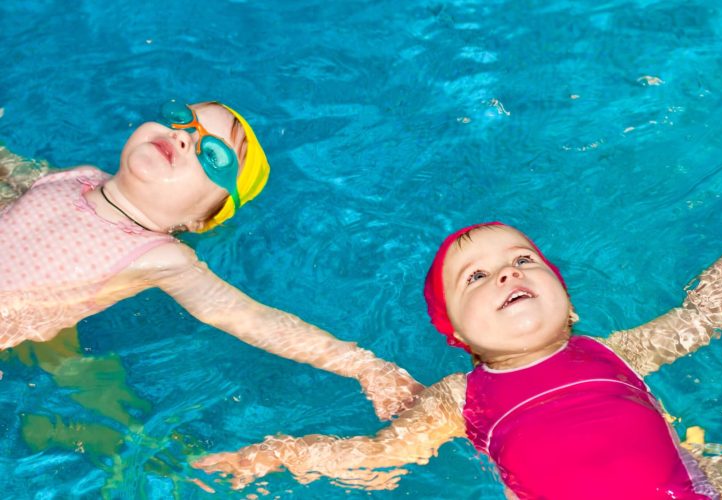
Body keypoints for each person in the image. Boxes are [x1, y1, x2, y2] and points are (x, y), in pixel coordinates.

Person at [194, 200, 722, 498]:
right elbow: (379, 452)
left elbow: (700, 319)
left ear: (568, 301)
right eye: (477, 278)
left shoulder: (616, 353)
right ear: (457, 335)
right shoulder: (460, 397)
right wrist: (273, 455)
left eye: (523, 260)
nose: (508, 273)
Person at [0, 100, 421, 420]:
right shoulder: (78, 176)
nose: (183, 138)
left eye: (213, 155)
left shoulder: (161, 257)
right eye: (182, 120)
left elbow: (251, 318)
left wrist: (366, 367)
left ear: (200, 219)